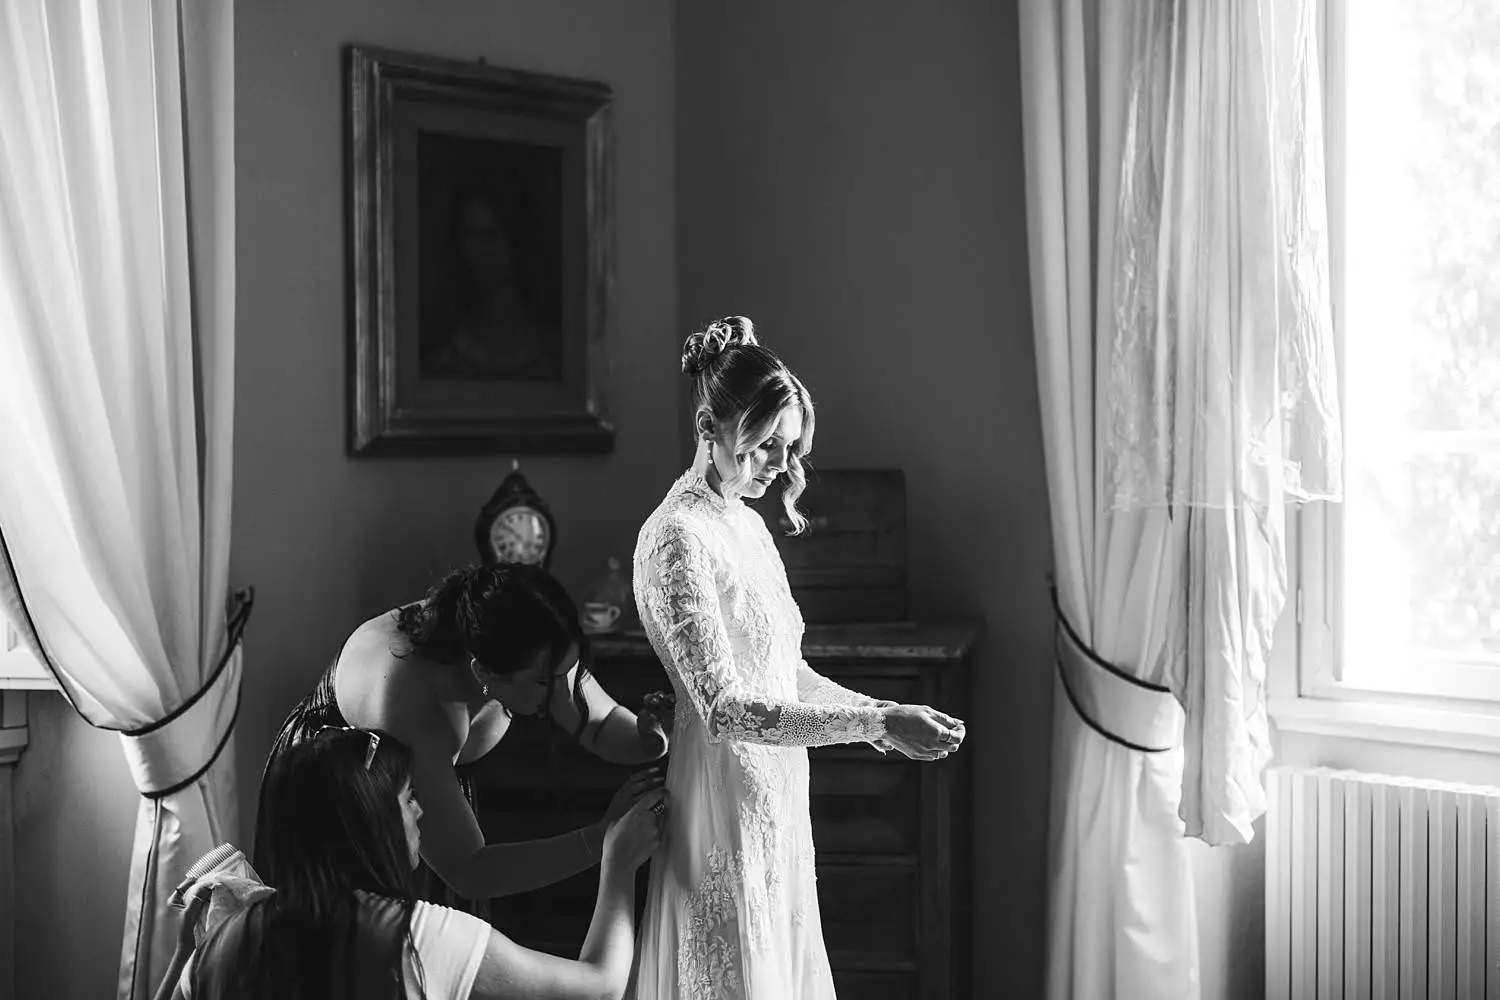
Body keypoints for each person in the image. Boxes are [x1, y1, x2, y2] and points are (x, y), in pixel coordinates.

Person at [629, 316, 967, 998]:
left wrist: (883, 711)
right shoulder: (676, 538)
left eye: (789, 447)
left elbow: (789, 676)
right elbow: (725, 709)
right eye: (764, 445)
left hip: (778, 801)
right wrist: (876, 728)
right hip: (720, 806)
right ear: (709, 429)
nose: (782, 465)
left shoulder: (747, 525)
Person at [255, 562, 674, 907]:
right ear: (483, 673)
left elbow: (598, 724)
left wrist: (649, 738)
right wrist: (604, 838)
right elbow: (471, 869)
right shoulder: (408, 705)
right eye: (545, 681)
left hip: (424, 792)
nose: (561, 688)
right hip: (345, 797)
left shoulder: (529, 644)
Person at [178, 727, 665, 999]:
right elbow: (597, 989)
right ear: (369, 825)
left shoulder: (224, 944)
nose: (420, 812)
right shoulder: (416, 936)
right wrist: (618, 865)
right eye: (408, 799)